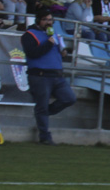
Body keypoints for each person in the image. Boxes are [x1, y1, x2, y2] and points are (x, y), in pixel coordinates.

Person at [21, 9, 75, 145]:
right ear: (38, 20)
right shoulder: (29, 35)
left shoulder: (54, 34)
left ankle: (42, 113)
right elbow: (33, 53)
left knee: (69, 98)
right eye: (45, 19)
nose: (48, 22)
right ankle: (45, 136)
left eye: (50, 20)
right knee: (42, 105)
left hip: (56, 74)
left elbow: (59, 52)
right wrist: (49, 43)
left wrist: (63, 52)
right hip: (40, 75)